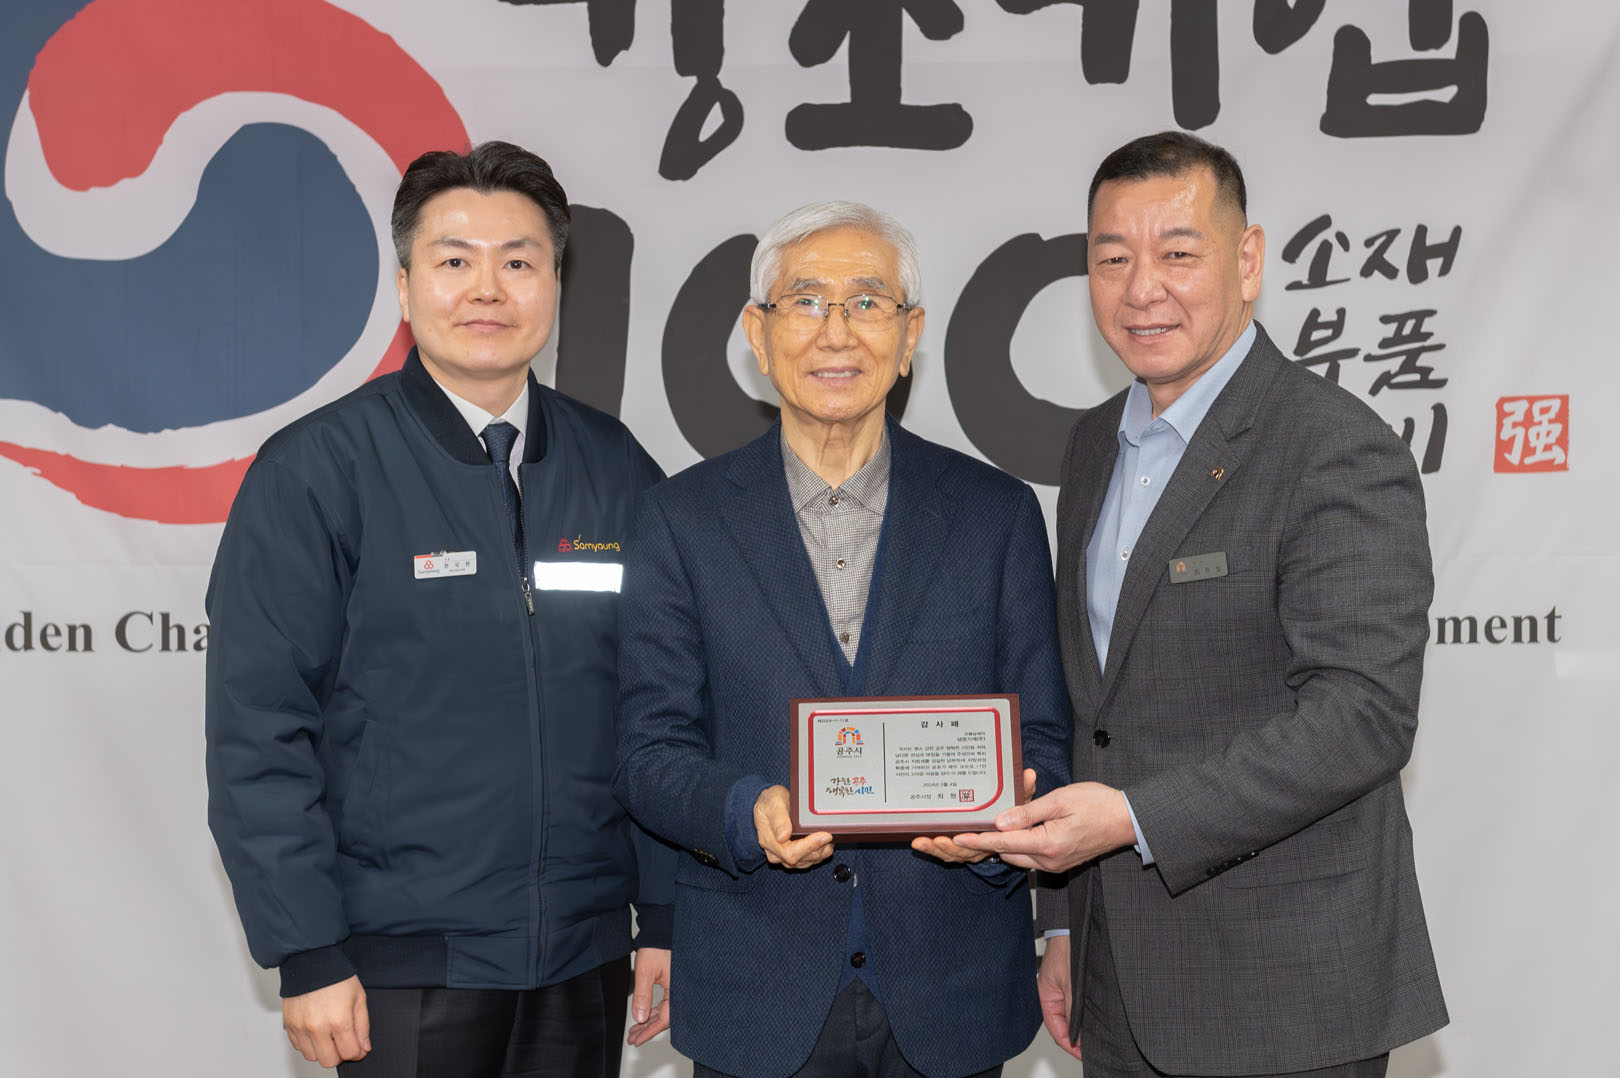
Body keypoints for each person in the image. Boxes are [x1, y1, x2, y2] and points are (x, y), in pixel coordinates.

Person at [953, 132, 1448, 1077]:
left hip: (1285, 990)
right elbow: (1093, 714)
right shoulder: (1093, 445)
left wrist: (1133, 818)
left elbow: (1363, 716)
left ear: (1248, 260)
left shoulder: (1332, 447)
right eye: (1112, 259)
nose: (1143, 289)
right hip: (1117, 984)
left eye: (1178, 253)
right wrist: (1062, 923)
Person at [205, 141, 673, 1077]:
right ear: (406, 284)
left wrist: (663, 913)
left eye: (520, 262)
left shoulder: (615, 466)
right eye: (455, 260)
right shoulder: (318, 470)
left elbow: (663, 705)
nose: (487, 289)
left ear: (555, 282)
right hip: (398, 964)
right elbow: (259, 729)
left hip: (584, 956)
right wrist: (308, 949)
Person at [612, 201, 1071, 1078]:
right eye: (806, 301)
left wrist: (1004, 818)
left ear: (910, 337)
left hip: (953, 981)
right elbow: (648, 751)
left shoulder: (996, 514)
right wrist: (744, 810)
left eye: (867, 302)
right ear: (758, 333)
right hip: (757, 980)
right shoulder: (679, 519)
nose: (836, 331)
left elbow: (1045, 737)